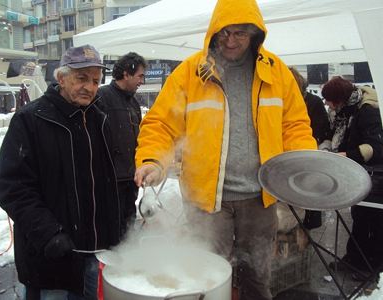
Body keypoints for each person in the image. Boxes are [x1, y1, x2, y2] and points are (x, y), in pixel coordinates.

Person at [133, 0, 317, 299]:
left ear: (255, 34)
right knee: (205, 279)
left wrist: (302, 164)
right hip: (207, 204)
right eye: (224, 32)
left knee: (257, 279)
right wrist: (153, 160)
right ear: (213, 32)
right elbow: (160, 125)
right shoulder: (191, 72)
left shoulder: (276, 71)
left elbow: (295, 126)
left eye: (240, 34)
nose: (230, 41)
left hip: (260, 200)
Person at [0, 45, 132, 299]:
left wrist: (119, 230)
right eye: (81, 78)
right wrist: (49, 233)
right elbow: (13, 188)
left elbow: (105, 184)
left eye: (95, 80)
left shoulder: (98, 120)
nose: (90, 87)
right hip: (51, 258)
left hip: (94, 256)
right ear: (61, 78)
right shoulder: (31, 119)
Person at [321, 76, 383, 278]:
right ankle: (354, 259)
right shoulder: (344, 112)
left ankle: (371, 267)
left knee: (372, 221)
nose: (328, 105)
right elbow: (335, 134)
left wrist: (345, 155)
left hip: (376, 175)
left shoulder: (368, 111)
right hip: (360, 172)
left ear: (340, 99)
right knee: (359, 217)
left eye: (330, 101)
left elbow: (375, 147)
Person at [97, 52, 146, 221]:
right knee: (111, 226)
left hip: (130, 178)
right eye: (140, 76)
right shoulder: (101, 97)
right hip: (109, 180)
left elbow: (138, 137)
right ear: (126, 74)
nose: (142, 81)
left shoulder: (133, 103)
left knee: (129, 225)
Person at [289, 66, 331, 230]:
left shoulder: (313, 102)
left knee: (308, 194)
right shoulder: (284, 101)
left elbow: (322, 130)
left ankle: (307, 226)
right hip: (290, 156)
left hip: (307, 155)